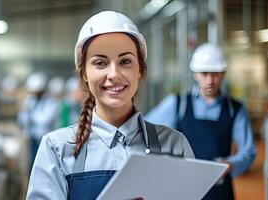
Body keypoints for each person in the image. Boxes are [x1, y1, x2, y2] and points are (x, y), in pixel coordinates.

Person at [26, 10, 194, 200]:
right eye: (100, 63)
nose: (114, 74)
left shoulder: (174, 146)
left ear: (140, 70)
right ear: (84, 74)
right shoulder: (56, 149)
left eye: (125, 61)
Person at [145, 43, 256, 200]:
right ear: (195, 74)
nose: (210, 81)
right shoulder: (178, 104)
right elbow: (144, 131)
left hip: (219, 191)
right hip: (182, 189)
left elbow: (248, 151)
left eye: (215, 74)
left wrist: (231, 164)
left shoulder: (235, 109)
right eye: (204, 74)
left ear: (223, 73)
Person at [18, 72, 60, 170]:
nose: (34, 94)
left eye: (36, 92)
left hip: (44, 139)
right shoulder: (30, 100)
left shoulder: (51, 102)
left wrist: (29, 112)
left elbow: (44, 120)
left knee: (44, 165)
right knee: (32, 164)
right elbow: (23, 118)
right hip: (32, 137)